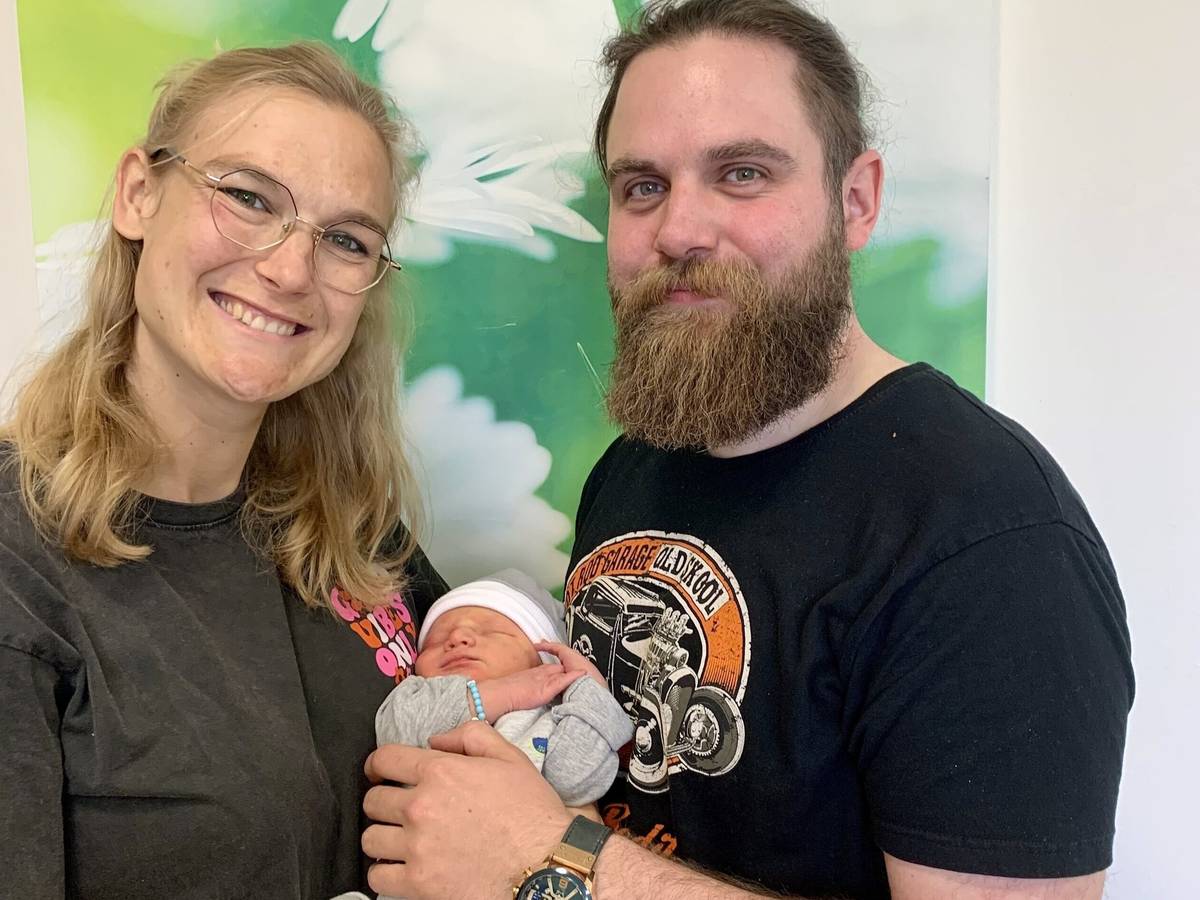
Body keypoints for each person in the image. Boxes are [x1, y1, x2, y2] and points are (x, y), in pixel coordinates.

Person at [360, 2, 1134, 900]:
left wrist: (549, 861)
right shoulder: (639, 464)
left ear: (856, 201)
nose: (679, 230)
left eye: (742, 174)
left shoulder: (990, 540)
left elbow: (561, 852)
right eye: (642, 186)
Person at [0, 43, 448, 899]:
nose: (289, 270)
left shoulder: (352, 532)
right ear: (139, 194)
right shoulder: (18, 564)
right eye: (248, 197)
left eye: (345, 240)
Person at [372, 569, 631, 806]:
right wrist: (498, 694)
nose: (457, 638)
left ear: (545, 661)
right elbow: (394, 733)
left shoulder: (552, 720)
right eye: (435, 640)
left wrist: (591, 691)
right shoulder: (420, 694)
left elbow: (575, 782)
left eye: (491, 631)